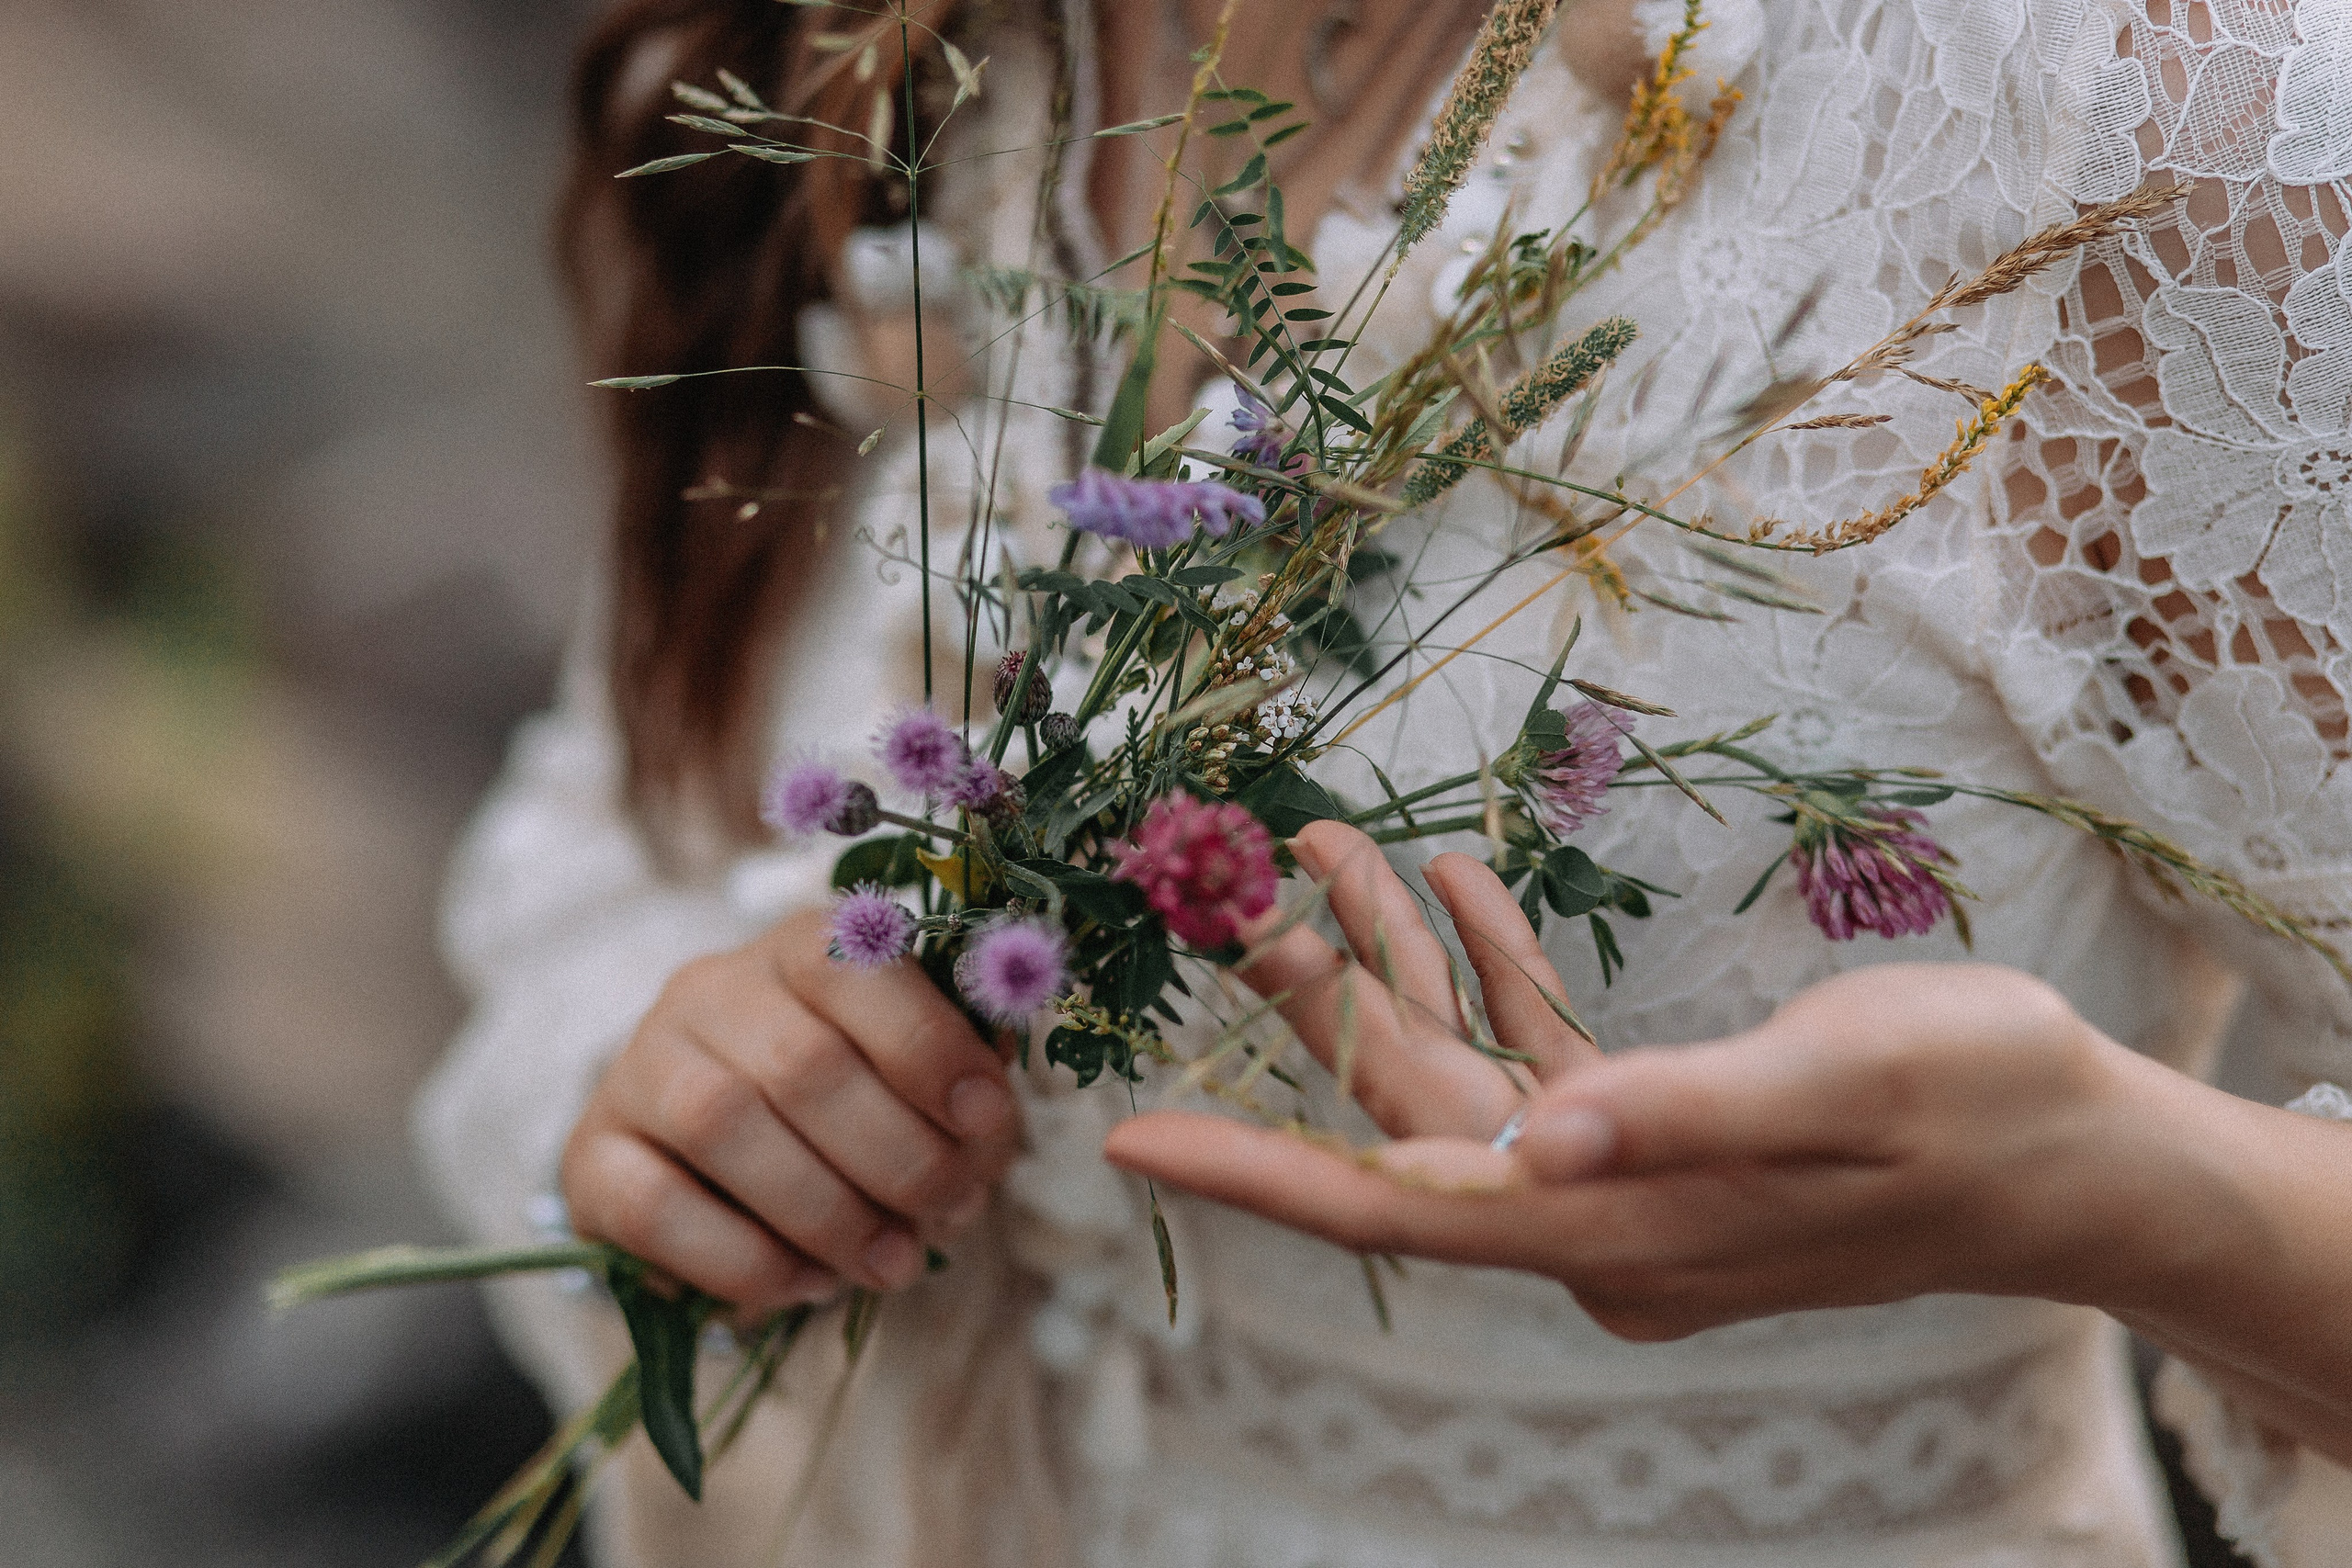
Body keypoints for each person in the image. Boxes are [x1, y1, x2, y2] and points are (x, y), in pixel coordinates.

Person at [416, 0, 2352, 1563]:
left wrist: (2115, 1192)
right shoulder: (900, 47)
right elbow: (632, 822)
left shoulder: (2142, 113)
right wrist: (680, 1107)